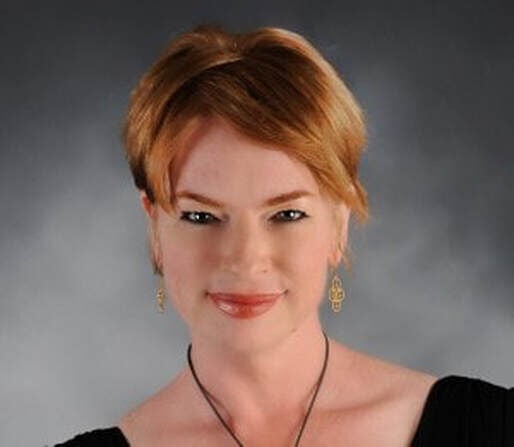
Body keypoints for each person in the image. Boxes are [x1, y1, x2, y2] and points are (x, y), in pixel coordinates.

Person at [55, 24, 513, 446]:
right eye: (201, 216)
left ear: (338, 224)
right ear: (155, 226)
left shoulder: (491, 428)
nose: (245, 258)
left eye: (287, 214)